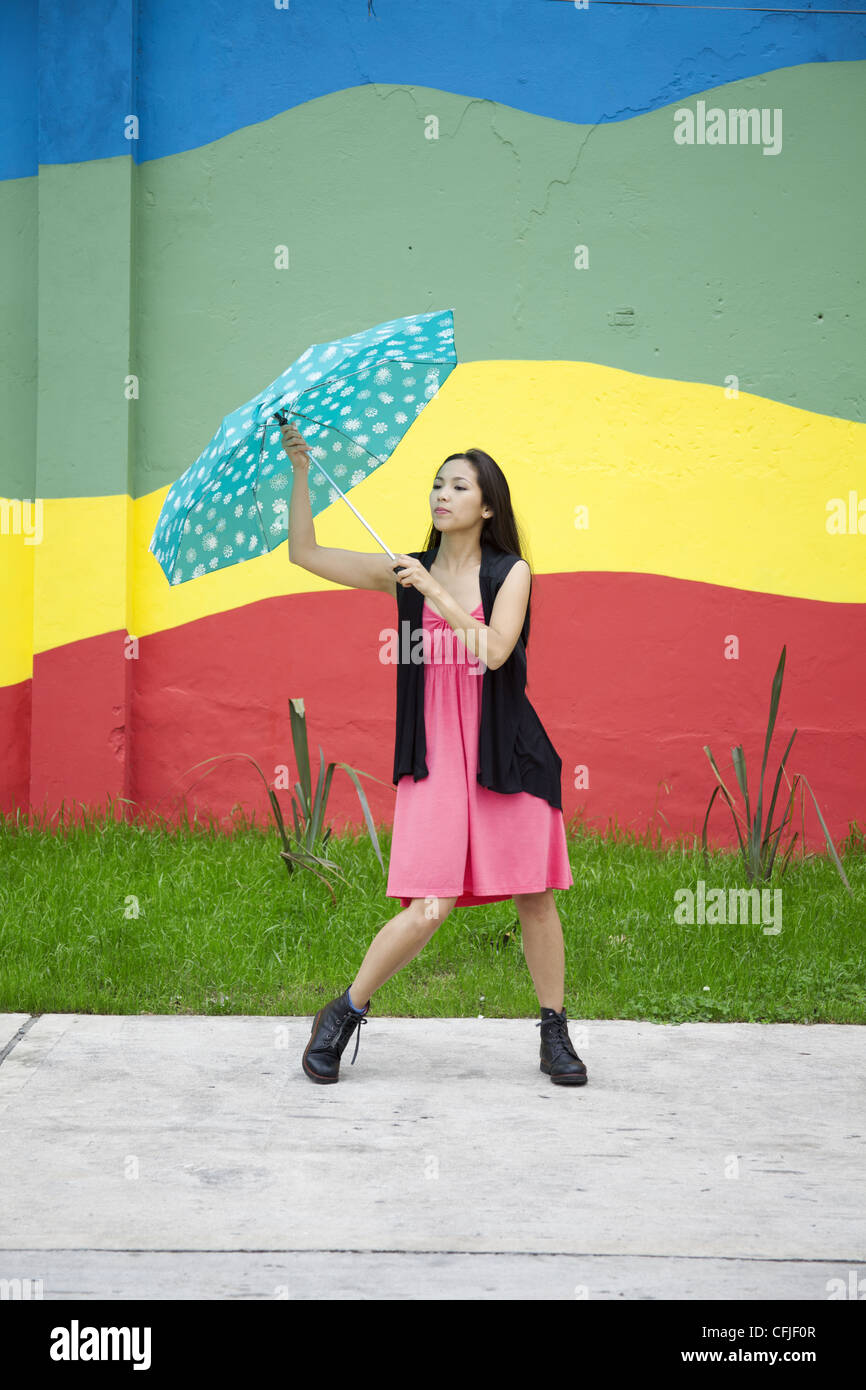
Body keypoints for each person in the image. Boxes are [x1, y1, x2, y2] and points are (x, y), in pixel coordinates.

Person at [281, 419, 587, 1088]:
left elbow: (495, 650)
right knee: (428, 906)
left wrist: (436, 593)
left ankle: (554, 1032)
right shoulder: (404, 574)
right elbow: (303, 553)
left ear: (486, 507)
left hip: (509, 751)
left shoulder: (510, 573)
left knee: (534, 895)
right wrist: (302, 473)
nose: (442, 494)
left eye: (458, 485)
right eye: (437, 484)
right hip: (438, 756)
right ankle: (343, 1012)